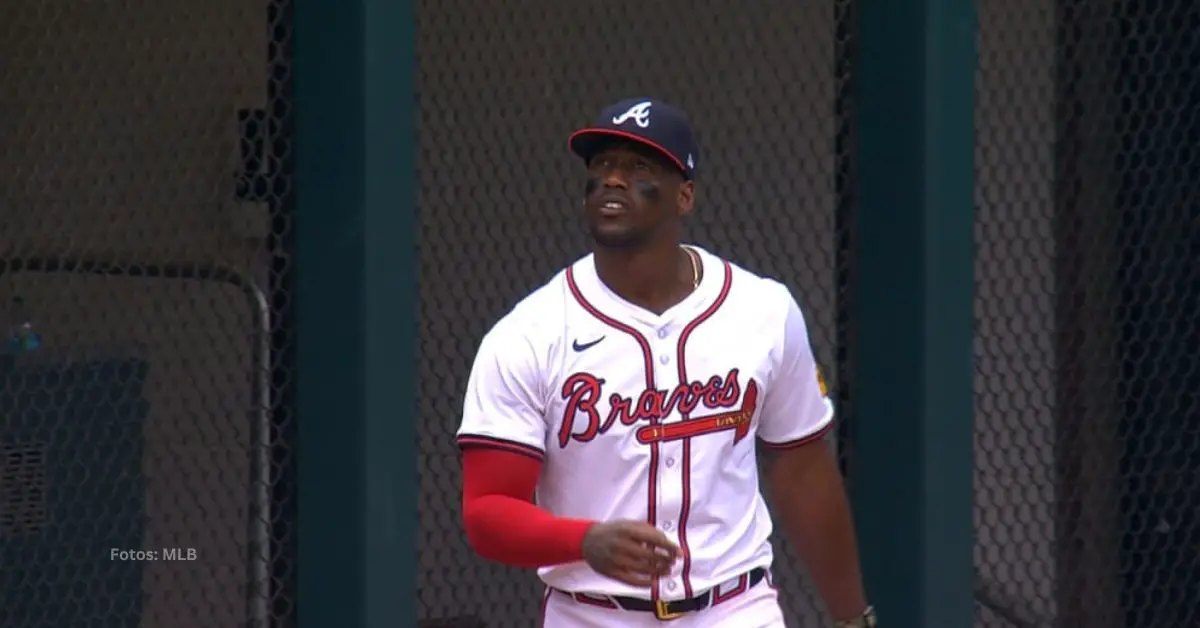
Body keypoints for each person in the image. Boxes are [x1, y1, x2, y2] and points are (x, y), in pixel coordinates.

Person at [456, 97, 876, 627]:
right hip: (592, 614)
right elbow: (487, 510)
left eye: (638, 168)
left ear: (685, 196)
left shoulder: (763, 310)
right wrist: (584, 540)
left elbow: (803, 471)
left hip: (735, 607)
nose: (612, 180)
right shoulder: (529, 334)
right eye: (601, 165)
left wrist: (851, 618)